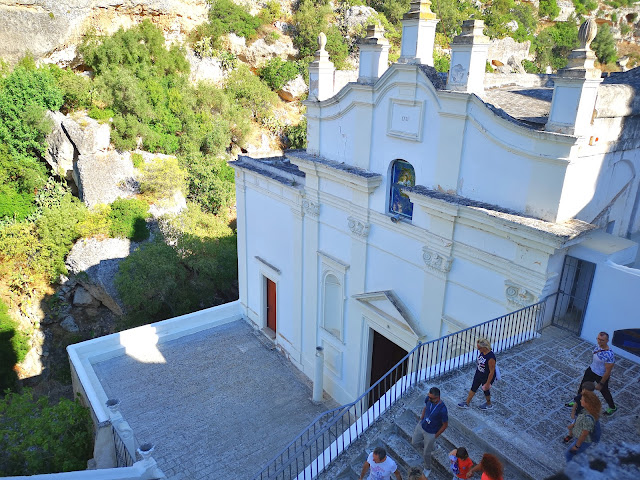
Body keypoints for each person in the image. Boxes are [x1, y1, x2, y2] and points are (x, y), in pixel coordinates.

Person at [566, 331, 617, 416]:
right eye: (598, 339)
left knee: (605, 392)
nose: (599, 341)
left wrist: (601, 383)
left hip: (601, 375)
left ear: (607, 341)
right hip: (591, 370)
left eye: (602, 340)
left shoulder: (609, 354)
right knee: (582, 386)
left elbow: (608, 372)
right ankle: (578, 401)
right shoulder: (598, 346)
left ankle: (612, 407)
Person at [411, 386, 448, 476]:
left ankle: (427, 468)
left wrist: (435, 436)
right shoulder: (428, 399)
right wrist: (421, 418)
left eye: (431, 397)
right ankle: (433, 445)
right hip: (422, 425)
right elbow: (425, 408)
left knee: (426, 453)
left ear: (437, 398)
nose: (429, 398)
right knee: (414, 442)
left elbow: (445, 425)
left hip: (431, 432)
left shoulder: (442, 410)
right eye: (429, 396)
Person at [457, 338, 496, 410]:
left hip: (486, 376)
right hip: (479, 373)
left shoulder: (491, 358)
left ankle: (489, 404)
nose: (478, 350)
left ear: (484, 347)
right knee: (473, 387)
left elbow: (492, 371)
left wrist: (487, 383)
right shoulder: (482, 353)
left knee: (486, 390)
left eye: (479, 348)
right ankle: (467, 402)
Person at [565, 390, 601, 462]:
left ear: (587, 403)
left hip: (584, 441)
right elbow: (580, 420)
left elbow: (584, 434)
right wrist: (573, 425)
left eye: (582, 399)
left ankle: (571, 470)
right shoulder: (586, 410)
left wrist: (576, 446)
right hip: (579, 438)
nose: (580, 400)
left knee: (568, 454)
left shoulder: (588, 417)